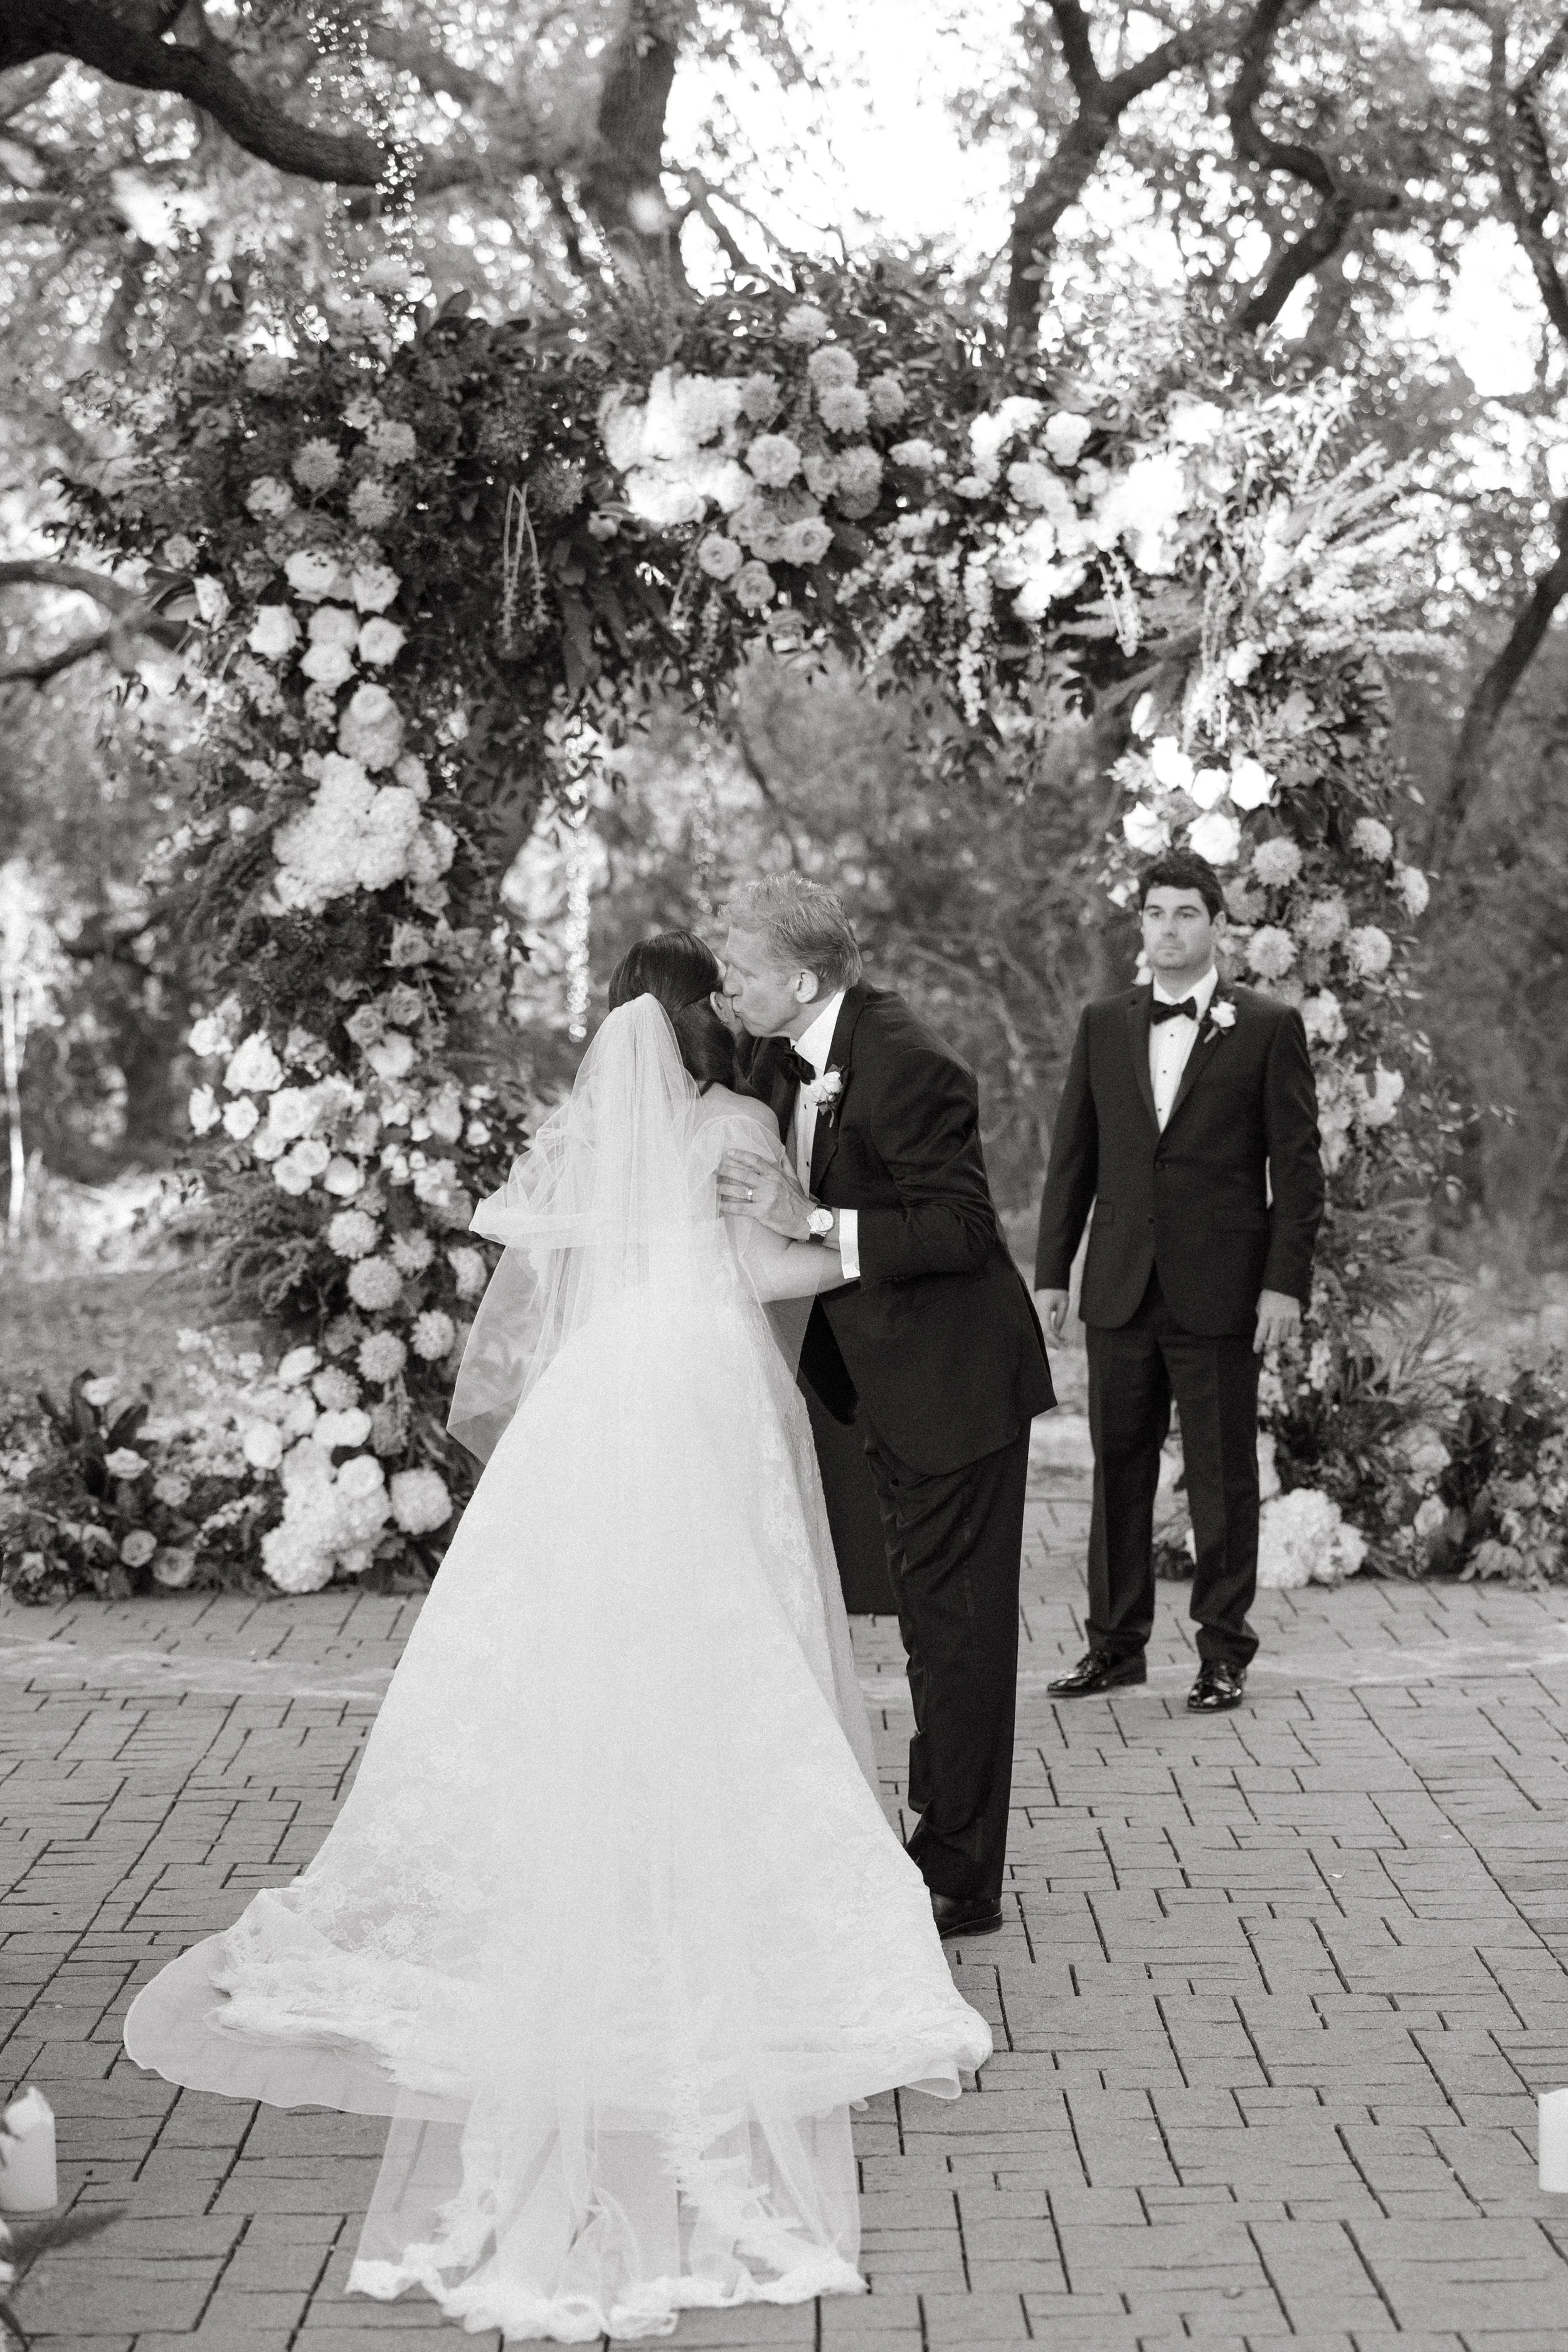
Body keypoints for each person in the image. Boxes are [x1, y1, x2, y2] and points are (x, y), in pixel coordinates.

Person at [124, 931, 990, 2344]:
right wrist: (822, 1258)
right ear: (703, 1019)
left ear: (612, 1032)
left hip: (596, 1401)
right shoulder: (737, 1120)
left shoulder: (584, 1139)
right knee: (722, 1637)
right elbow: (771, 1280)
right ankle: (694, 1864)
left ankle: (558, 1853)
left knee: (561, 1635)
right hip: (701, 1388)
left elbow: (533, 1291)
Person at [718, 877, 1054, 1944]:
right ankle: (937, 1834)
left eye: (742, 970)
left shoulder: (909, 1061)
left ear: (802, 979)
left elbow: (961, 1231)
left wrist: (808, 1213)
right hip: (888, 1386)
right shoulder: (791, 1052)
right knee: (929, 1625)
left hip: (956, 1383)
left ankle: (962, 1878)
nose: (730, 985)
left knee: (958, 1635)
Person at [1033, 849, 1325, 1712]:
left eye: (1186, 913)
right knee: (1117, 1467)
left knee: (1221, 1474)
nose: (1168, 928)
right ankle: (1115, 1646)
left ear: (1216, 925)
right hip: (1120, 1286)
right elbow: (1070, 1161)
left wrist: (1284, 1284)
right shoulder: (1104, 1023)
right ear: (1142, 927)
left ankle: (1223, 1653)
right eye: (1155, 912)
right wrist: (1054, 1274)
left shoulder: (1267, 1026)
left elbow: (1299, 1172)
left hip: (1223, 1288)